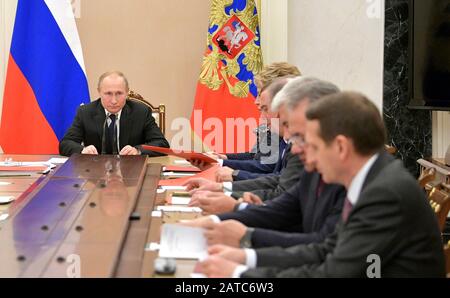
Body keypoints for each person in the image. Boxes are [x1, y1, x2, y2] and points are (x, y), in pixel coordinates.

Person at [196, 91, 446, 278]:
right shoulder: (372, 179)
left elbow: (333, 273)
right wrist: (247, 257)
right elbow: (326, 250)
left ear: (340, 147)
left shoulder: (385, 193)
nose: (309, 158)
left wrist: (239, 274)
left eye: (313, 146)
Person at [183, 78, 345, 249]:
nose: (290, 141)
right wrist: (224, 213)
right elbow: (284, 208)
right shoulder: (316, 168)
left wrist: (246, 238)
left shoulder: (358, 186)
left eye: (300, 135)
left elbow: (321, 249)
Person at [59, 71, 169, 156]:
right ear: (99, 92)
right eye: (108, 94)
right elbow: (65, 144)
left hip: (130, 173)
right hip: (95, 176)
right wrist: (82, 150)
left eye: (119, 93)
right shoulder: (85, 112)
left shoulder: (141, 112)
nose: (114, 100)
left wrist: (138, 150)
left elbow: (162, 144)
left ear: (127, 92)